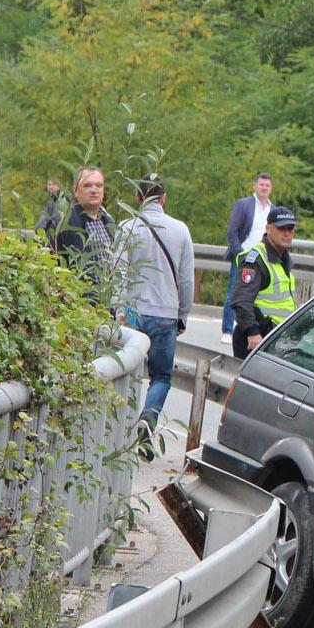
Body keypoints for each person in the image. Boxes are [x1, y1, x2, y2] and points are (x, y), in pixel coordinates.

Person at [119, 175, 195, 438]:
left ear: (138, 198)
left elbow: (118, 272)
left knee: (125, 371)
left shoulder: (127, 227)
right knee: (161, 377)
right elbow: (186, 279)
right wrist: (182, 314)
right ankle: (148, 419)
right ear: (164, 198)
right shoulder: (181, 230)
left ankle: (119, 429)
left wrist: (117, 311)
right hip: (165, 314)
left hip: (131, 312)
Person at [229, 206, 299, 359]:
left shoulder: (284, 259)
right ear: (268, 228)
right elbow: (241, 300)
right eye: (281, 228)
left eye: (290, 228)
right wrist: (252, 332)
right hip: (256, 339)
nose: (287, 233)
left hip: (276, 338)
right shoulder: (256, 259)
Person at [52, 166, 118, 296]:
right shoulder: (64, 223)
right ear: (75, 190)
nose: (94, 190)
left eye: (98, 186)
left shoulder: (109, 222)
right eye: (87, 186)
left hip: (109, 305)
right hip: (79, 304)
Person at [223, 173, 274, 341]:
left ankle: (249, 328)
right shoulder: (244, 204)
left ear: (271, 188)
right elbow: (232, 231)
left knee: (256, 297)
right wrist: (239, 254)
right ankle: (227, 330)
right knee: (234, 293)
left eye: (267, 185)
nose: (264, 188)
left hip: (262, 261)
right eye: (261, 184)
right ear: (255, 186)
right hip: (244, 257)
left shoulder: (272, 210)